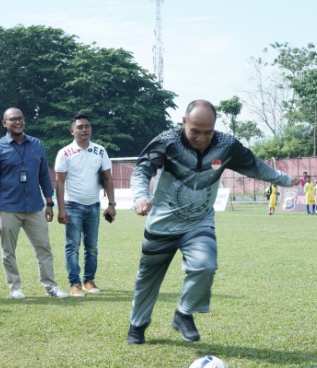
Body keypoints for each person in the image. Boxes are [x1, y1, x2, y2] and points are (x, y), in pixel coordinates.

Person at [127, 100, 299, 344]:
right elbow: (142, 169)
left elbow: (254, 166)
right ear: (183, 122)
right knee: (148, 278)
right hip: (162, 224)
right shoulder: (167, 141)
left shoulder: (226, 145)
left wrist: (284, 179)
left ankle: (184, 313)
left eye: (207, 132)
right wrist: (141, 197)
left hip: (198, 222)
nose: (201, 138)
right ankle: (137, 326)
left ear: (215, 127)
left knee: (205, 265)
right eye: (195, 131)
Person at [0, 107, 69, 299]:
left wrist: (50, 203)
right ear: (4, 123)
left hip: (34, 207)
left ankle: (50, 287)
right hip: (8, 208)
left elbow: (43, 176)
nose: (17, 122)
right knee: (8, 251)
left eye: (20, 118)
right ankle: (15, 288)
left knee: (44, 249)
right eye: (12, 119)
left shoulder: (37, 144)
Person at [55, 113, 116, 297]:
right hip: (73, 205)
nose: (84, 130)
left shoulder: (100, 150)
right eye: (80, 127)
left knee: (92, 246)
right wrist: (61, 209)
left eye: (87, 126)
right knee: (72, 245)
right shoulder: (64, 152)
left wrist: (111, 204)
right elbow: (59, 182)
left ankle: (89, 281)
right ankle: (75, 284)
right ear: (72, 130)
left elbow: (108, 178)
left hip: (94, 206)